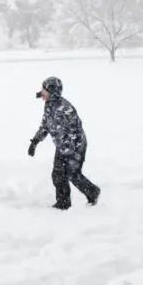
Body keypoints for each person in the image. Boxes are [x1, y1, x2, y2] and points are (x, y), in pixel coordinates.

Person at [28, 76, 100, 210]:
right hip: (62, 146)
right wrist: (35, 141)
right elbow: (45, 126)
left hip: (75, 147)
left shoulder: (65, 109)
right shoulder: (49, 105)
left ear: (53, 92)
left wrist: (71, 154)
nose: (42, 93)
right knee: (57, 175)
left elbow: (76, 131)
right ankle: (63, 203)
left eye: (44, 90)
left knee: (73, 175)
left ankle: (93, 192)